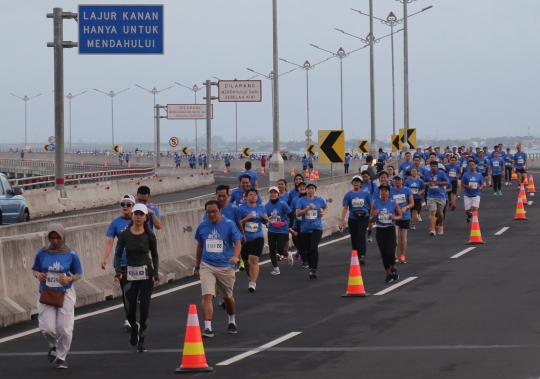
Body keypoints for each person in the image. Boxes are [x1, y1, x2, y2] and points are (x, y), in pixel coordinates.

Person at [32, 224, 83, 369]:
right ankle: (53, 346)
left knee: (64, 328)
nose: (55, 241)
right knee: (48, 328)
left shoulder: (71, 254)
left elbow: (79, 273)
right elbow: (35, 269)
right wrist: (38, 274)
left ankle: (61, 357)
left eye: (58, 238)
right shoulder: (42, 252)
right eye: (52, 238)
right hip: (47, 292)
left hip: (65, 292)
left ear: (62, 237)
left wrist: (70, 279)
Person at [115, 204, 159, 353]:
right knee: (130, 308)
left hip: (146, 275)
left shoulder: (149, 235)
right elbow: (118, 253)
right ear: (132, 216)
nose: (138, 217)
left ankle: (142, 340)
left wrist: (156, 273)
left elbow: (155, 255)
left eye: (141, 214)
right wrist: (118, 271)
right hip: (130, 274)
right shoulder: (125, 234)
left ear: (146, 217)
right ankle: (134, 328)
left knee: (145, 308)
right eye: (136, 214)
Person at [194, 200, 242, 337]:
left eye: (214, 211)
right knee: (207, 295)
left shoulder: (229, 225)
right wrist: (197, 266)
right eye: (208, 212)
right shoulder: (203, 226)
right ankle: (207, 327)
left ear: (220, 211)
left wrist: (235, 257)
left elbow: (238, 243)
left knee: (227, 297)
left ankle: (232, 320)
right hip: (207, 265)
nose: (211, 214)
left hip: (225, 265)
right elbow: (199, 246)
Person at [101, 194, 136, 331]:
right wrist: (105, 258)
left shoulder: (138, 222)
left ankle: (132, 316)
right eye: (123, 204)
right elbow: (110, 243)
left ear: (133, 206)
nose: (125, 207)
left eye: (128, 204)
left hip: (136, 262)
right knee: (126, 291)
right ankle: (129, 318)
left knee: (134, 292)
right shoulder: (115, 223)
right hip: (121, 262)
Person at [295, 181, 328, 279]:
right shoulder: (301, 201)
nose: (310, 190)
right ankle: (310, 268)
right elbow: (298, 213)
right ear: (306, 190)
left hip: (317, 227)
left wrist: (323, 213)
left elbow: (326, 207)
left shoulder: (319, 200)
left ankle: (314, 269)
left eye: (312, 188)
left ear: (315, 190)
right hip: (305, 229)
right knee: (308, 250)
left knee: (314, 247)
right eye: (309, 188)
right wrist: (308, 208)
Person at [370, 183, 402, 283]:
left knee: (390, 252)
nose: (383, 192)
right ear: (379, 192)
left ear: (389, 192)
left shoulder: (393, 202)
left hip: (390, 229)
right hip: (380, 230)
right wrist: (374, 215)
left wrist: (394, 217)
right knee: (383, 254)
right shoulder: (375, 203)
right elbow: (371, 220)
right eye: (382, 190)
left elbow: (400, 215)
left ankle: (393, 268)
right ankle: (388, 274)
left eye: (385, 190)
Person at [239, 189, 269, 292]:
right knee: (246, 262)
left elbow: (265, 222)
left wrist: (266, 219)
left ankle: (253, 283)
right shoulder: (241, 208)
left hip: (258, 236)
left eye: (255, 194)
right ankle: (251, 277)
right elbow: (238, 223)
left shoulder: (261, 207)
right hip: (244, 238)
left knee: (253, 260)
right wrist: (247, 218)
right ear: (246, 197)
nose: (253, 196)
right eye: (251, 194)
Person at [339, 175, 372, 265]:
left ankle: (362, 255)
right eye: (355, 182)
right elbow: (345, 208)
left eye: (358, 182)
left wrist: (372, 216)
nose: (356, 183)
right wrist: (342, 220)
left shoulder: (366, 194)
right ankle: (356, 255)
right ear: (352, 183)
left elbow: (371, 205)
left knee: (361, 235)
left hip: (364, 217)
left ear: (361, 184)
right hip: (353, 218)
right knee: (353, 237)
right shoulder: (348, 195)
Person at [215, 185, 245, 271]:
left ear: (228, 195)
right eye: (219, 196)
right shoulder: (213, 209)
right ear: (215, 195)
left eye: (224, 196)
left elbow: (238, 223)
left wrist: (242, 236)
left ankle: (239, 261)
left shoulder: (235, 209)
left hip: (232, 237)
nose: (221, 198)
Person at [265, 186, 294, 274]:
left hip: (282, 230)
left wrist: (290, 226)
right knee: (272, 249)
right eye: (271, 193)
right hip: (272, 230)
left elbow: (291, 215)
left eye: (275, 193)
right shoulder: (267, 205)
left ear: (278, 194)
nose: (273, 194)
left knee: (280, 250)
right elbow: (264, 217)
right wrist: (266, 222)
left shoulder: (282, 204)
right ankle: (276, 268)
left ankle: (288, 254)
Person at [391, 174, 414, 264]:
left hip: (405, 216)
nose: (397, 181)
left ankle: (402, 255)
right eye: (395, 180)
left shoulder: (407, 190)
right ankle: (394, 255)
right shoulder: (391, 191)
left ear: (402, 181)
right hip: (395, 216)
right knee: (395, 236)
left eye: (399, 180)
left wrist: (406, 207)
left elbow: (412, 203)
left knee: (403, 237)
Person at [424, 161, 449, 236]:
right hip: (431, 196)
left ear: (437, 167)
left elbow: (447, 182)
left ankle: (440, 224)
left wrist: (439, 183)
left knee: (440, 213)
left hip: (440, 196)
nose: (433, 167)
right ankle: (432, 229)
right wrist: (428, 183)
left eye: (434, 166)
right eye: (432, 166)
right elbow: (424, 182)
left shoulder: (441, 173)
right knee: (432, 213)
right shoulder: (427, 173)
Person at [289, 181, 308, 267]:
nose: (302, 188)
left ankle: (308, 258)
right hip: (297, 224)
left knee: (307, 243)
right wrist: (291, 224)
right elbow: (291, 211)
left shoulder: (310, 198)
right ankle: (304, 260)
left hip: (309, 224)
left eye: (304, 186)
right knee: (298, 243)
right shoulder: (295, 199)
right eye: (300, 187)